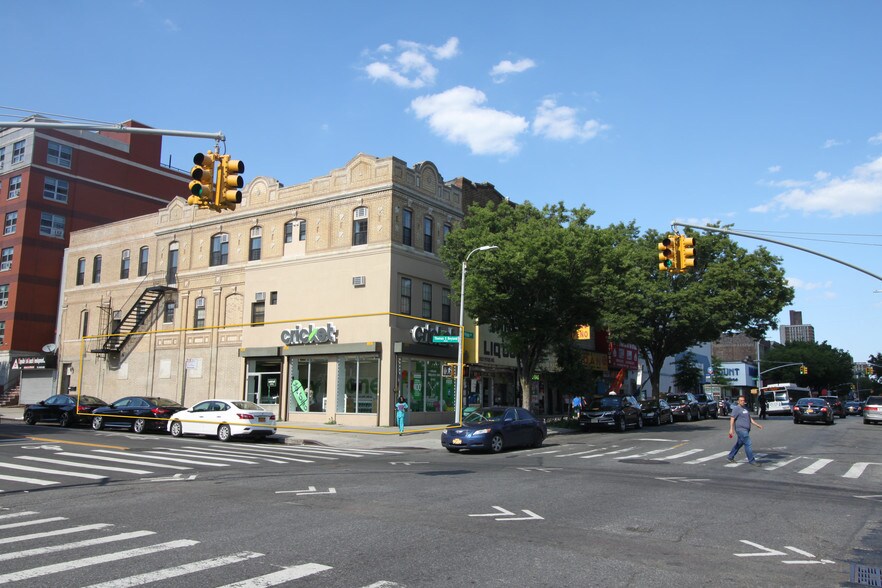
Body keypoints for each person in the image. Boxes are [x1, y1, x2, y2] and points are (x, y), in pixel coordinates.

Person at [727, 395, 764, 466]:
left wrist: (757, 424)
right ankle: (752, 460)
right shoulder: (736, 409)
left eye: (743, 400)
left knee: (739, 443)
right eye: (741, 400)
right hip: (741, 429)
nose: (742, 402)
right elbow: (732, 418)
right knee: (748, 443)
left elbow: (749, 418)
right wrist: (731, 429)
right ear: (738, 401)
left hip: (746, 430)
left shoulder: (745, 408)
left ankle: (730, 456)